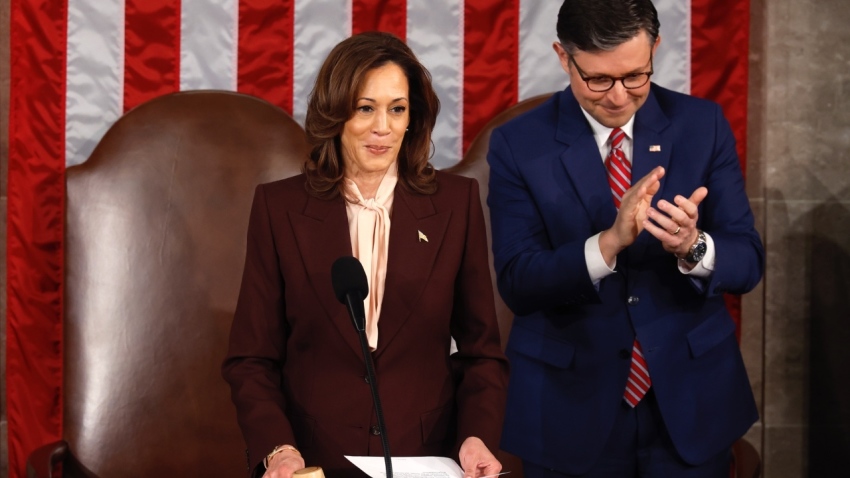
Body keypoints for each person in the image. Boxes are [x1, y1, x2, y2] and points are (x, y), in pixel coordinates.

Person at [487, 0, 764, 476]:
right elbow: (518, 279)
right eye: (598, 79)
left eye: (636, 76)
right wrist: (607, 244)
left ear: (655, 49)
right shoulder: (518, 143)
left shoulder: (702, 125)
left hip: (690, 402)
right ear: (562, 56)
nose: (618, 97)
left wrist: (692, 246)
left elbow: (748, 260)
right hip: (568, 406)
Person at [222, 31, 508, 478]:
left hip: (427, 457)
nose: (383, 127)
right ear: (335, 113)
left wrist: (476, 438)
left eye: (397, 109)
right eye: (365, 108)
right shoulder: (279, 208)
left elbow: (482, 354)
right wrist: (277, 449)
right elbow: (251, 358)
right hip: (312, 460)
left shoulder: (457, 204)